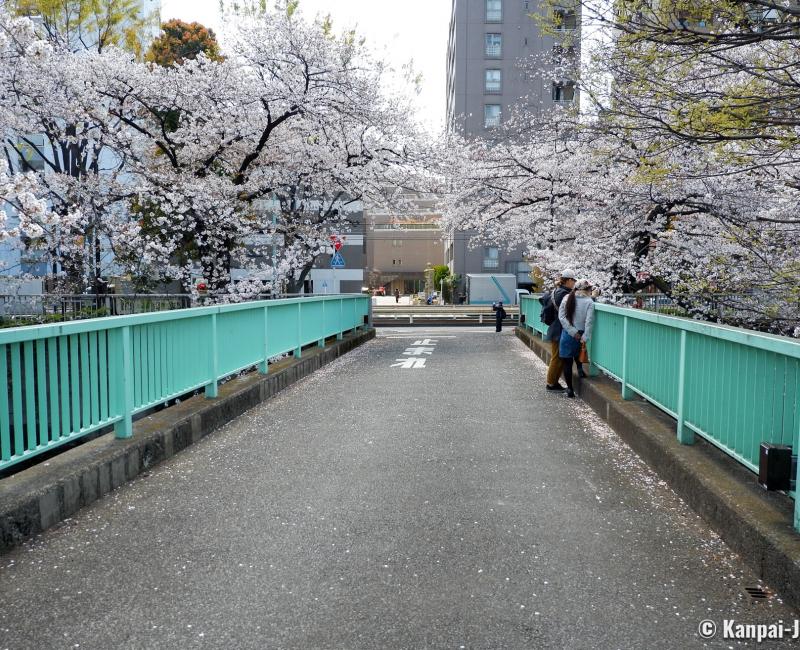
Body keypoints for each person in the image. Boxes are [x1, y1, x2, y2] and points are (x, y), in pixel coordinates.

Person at [558, 279, 595, 398]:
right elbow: (589, 321)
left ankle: (570, 389)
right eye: (590, 289)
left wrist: (572, 332)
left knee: (567, 363)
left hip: (568, 334)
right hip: (581, 334)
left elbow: (561, 317)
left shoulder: (567, 298)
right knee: (578, 355)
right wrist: (584, 337)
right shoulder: (589, 302)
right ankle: (580, 370)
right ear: (586, 290)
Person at [542, 270, 576, 391]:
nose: (574, 283)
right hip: (559, 329)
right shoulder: (563, 294)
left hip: (555, 327)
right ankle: (551, 383)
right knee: (557, 357)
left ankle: (553, 382)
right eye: (574, 280)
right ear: (569, 280)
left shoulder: (557, 291)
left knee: (559, 357)